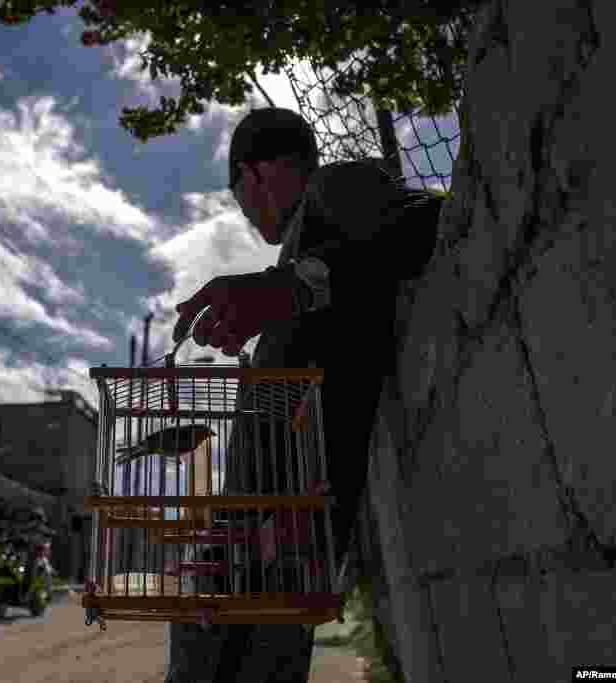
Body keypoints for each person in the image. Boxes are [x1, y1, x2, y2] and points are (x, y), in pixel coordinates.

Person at [167, 107, 443, 682]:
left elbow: (430, 222)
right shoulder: (295, 252)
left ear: (254, 176)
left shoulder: (331, 189)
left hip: (279, 550)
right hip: (252, 545)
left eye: (240, 197)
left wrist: (291, 286)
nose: (245, 214)